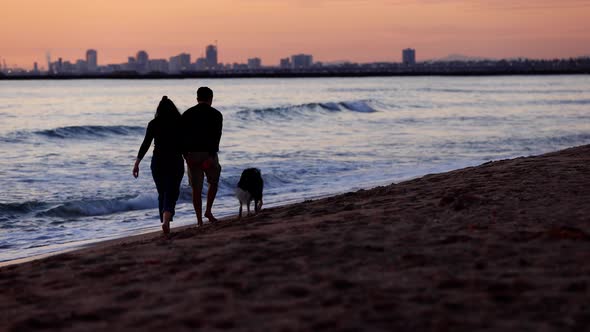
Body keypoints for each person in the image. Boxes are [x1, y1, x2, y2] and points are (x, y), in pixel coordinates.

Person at [133, 96, 184, 235]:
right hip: (175, 160)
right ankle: (166, 221)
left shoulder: (154, 123)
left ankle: (164, 221)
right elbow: (185, 143)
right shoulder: (180, 122)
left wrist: (137, 162)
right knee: (172, 191)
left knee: (163, 192)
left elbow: (146, 144)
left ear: (158, 110)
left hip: (158, 161)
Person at [181, 87, 223, 226]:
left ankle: (199, 220)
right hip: (209, 153)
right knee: (213, 182)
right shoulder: (216, 114)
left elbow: (181, 137)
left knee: (196, 189)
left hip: (192, 154)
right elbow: (217, 137)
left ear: (197, 98)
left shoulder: (187, 114)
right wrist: (211, 157)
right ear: (211, 98)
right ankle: (208, 211)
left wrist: (186, 156)